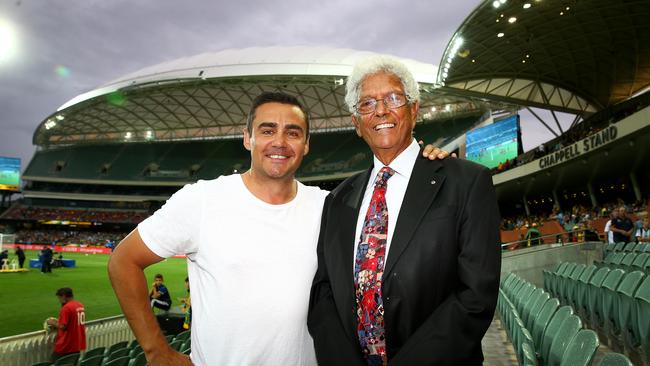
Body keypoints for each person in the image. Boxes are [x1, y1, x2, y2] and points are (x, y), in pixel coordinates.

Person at [108, 91, 450, 366]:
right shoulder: (202, 200)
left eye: (293, 132)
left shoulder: (332, 206)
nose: (280, 142)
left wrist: (421, 166)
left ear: (306, 145)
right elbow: (123, 261)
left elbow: (399, 236)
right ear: (247, 138)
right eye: (268, 130)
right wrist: (157, 351)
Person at [308, 56, 501, 365]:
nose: (381, 110)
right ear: (357, 123)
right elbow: (324, 293)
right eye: (367, 103)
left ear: (414, 109)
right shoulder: (338, 200)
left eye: (393, 98)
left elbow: (475, 296)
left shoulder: (465, 182)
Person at [46, 287, 86, 361]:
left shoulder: (66, 308)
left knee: (53, 363)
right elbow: (73, 322)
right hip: (77, 345)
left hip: (65, 345)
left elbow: (63, 326)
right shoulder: (80, 305)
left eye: (59, 298)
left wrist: (52, 322)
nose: (59, 300)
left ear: (64, 296)